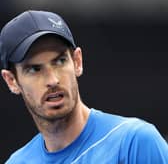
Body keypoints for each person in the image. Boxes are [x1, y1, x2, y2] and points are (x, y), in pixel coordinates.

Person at [0, 10, 168, 164]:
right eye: (34, 69)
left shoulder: (134, 142)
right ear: (11, 81)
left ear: (77, 61)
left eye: (60, 61)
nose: (52, 80)